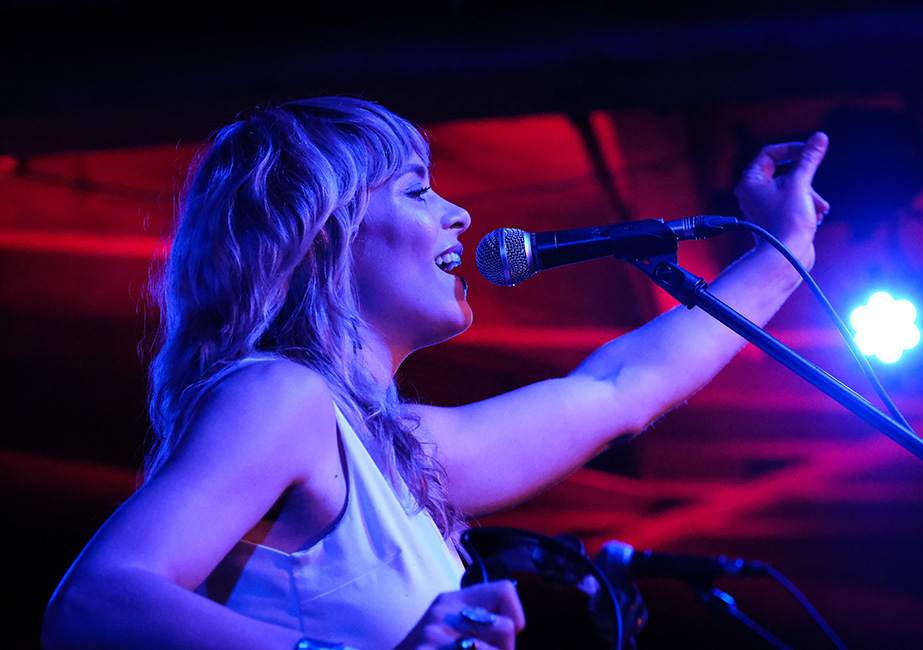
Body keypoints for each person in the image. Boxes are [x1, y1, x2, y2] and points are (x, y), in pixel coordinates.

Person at [40, 96, 830, 650]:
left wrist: (781, 254)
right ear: (323, 234)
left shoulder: (402, 452)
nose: (460, 214)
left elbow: (619, 390)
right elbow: (97, 603)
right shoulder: (278, 396)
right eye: (418, 190)